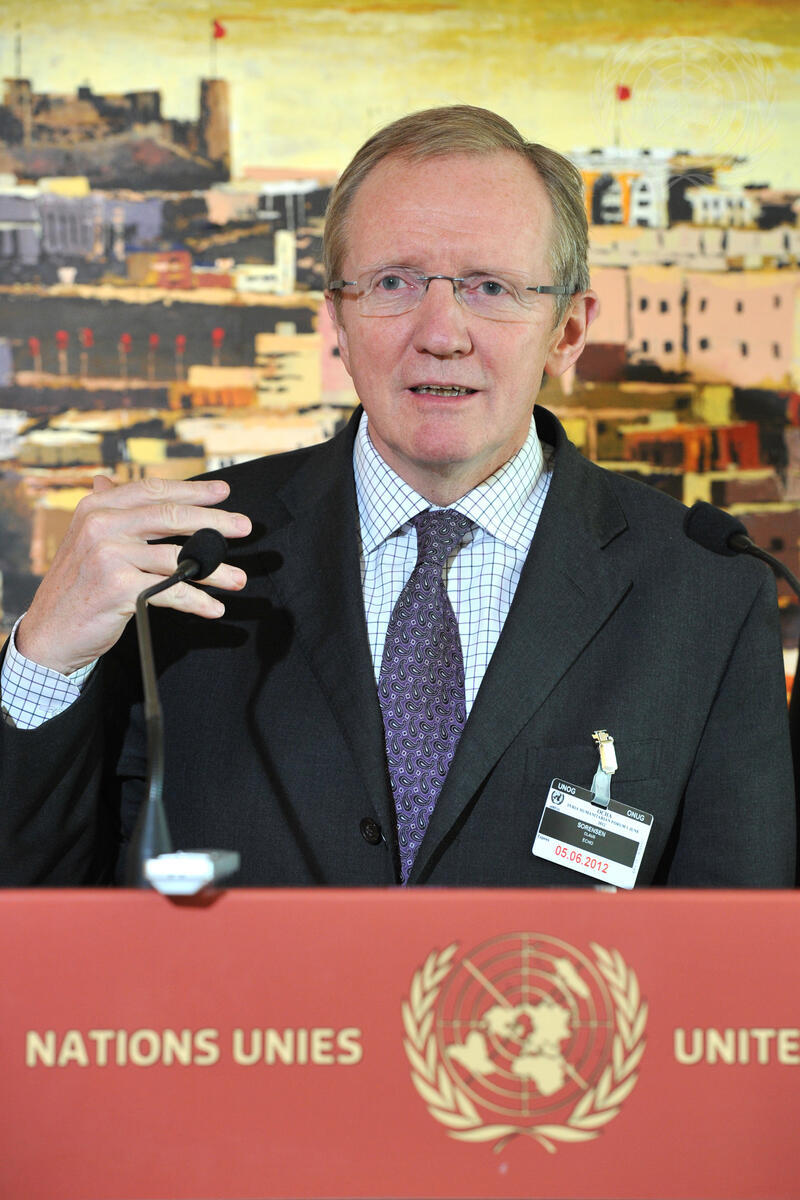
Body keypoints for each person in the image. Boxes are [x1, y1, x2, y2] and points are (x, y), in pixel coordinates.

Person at [0, 105, 795, 887]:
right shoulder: (176, 559)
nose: (441, 333)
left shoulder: (706, 593)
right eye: (393, 282)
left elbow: (737, 949)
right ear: (337, 323)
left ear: (568, 331)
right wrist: (43, 661)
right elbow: (39, 904)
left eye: (491, 286)